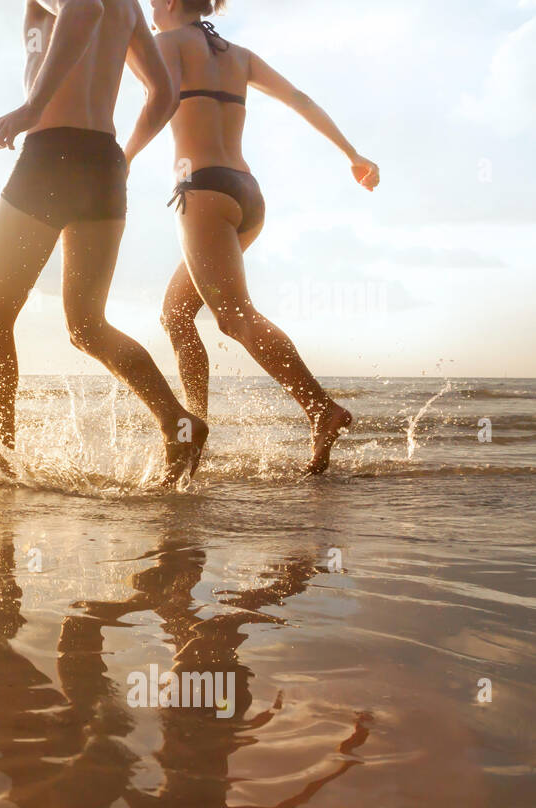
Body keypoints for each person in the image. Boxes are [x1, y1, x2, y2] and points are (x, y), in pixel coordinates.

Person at [0, 0, 207, 485]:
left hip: (50, 157)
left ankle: (3, 459)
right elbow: (164, 91)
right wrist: (124, 157)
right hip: (102, 163)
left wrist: (31, 109)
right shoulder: (127, 5)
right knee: (86, 325)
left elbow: (83, 8)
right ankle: (177, 422)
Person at [148, 0, 380, 474]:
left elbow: (117, 63)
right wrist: (352, 154)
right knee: (176, 314)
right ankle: (195, 428)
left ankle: (320, 409)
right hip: (247, 196)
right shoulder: (240, 55)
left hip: (205, 192)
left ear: (171, 2)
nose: (148, 6)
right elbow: (300, 99)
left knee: (234, 317)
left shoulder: (165, 44)